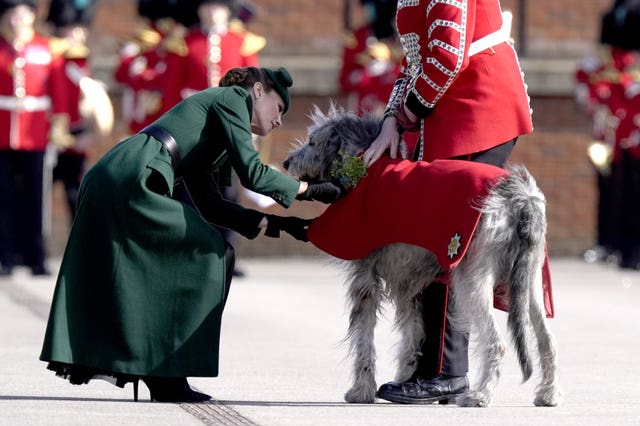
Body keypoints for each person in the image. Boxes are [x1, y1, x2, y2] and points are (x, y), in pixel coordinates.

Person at [39, 66, 342, 403]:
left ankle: (162, 370)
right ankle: (166, 371)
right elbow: (254, 173)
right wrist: (310, 190)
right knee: (208, 253)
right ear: (258, 91)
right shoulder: (233, 98)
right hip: (131, 177)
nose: (279, 121)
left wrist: (278, 226)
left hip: (128, 175)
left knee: (200, 254)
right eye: (279, 108)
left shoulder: (220, 127)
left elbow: (211, 205)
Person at [361, 1, 533, 404]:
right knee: (434, 232)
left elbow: (447, 57)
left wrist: (405, 113)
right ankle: (432, 366)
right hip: (450, 110)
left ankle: (446, 370)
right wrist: (391, 118)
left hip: (476, 108)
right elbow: (416, 59)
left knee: (444, 238)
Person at [0, 0, 71, 277]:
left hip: (36, 133)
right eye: (12, 13)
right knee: (3, 198)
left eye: (23, 13)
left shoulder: (46, 48)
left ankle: (35, 256)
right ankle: (5, 256)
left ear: (31, 16)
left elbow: (59, 92)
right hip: (3, 133)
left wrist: (59, 125)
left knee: (35, 198)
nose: (18, 18)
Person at [46, 0, 103, 222]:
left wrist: (88, 132)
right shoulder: (50, 58)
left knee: (75, 196)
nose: (77, 35)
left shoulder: (81, 62)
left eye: (80, 30)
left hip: (74, 136)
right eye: (72, 30)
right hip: (49, 136)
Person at [338, 0, 402, 116]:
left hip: (394, 112)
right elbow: (344, 81)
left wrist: (390, 63)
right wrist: (365, 74)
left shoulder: (403, 38)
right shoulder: (357, 38)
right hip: (364, 111)